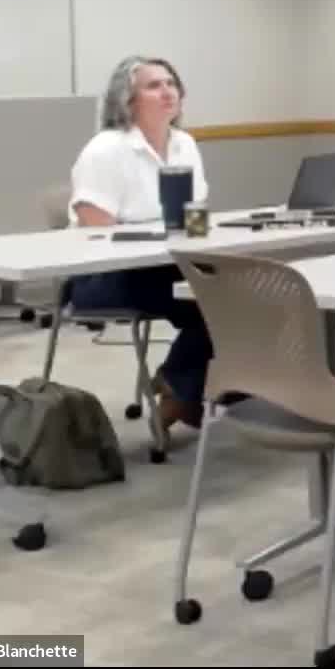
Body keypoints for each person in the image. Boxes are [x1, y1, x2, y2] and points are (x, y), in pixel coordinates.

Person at [65, 56, 217, 434]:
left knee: (240, 294)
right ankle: (184, 388)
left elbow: (194, 214)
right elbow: (94, 231)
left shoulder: (184, 144)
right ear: (127, 100)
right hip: (103, 276)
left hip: (166, 267)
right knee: (218, 300)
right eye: (153, 86)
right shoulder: (105, 149)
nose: (167, 92)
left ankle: (179, 383)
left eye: (171, 83)